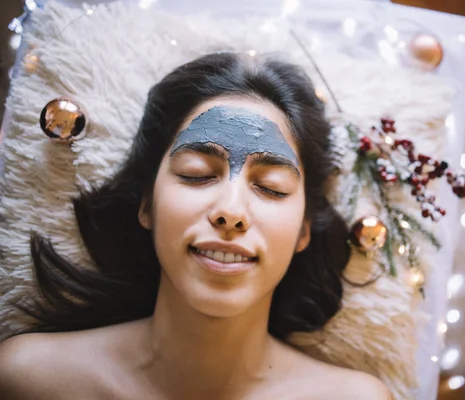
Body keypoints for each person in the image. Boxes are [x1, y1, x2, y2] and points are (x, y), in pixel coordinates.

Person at [0, 52, 392, 399]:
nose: (231, 211)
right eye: (197, 174)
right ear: (147, 205)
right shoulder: (28, 379)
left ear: (304, 230)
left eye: (271, 188)